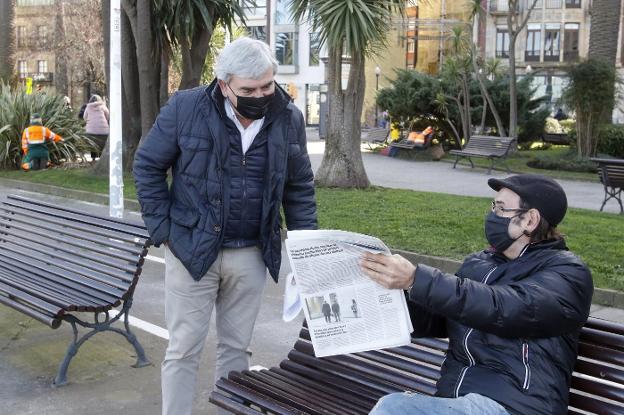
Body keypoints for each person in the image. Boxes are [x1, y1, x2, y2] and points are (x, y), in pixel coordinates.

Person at [133, 37, 317, 415]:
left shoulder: (288, 116)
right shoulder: (186, 108)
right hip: (191, 250)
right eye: (249, 89)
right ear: (223, 84)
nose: (261, 95)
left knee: (237, 349)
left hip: (251, 251)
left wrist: (307, 248)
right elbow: (147, 165)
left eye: (267, 85)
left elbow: (298, 188)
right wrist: (164, 231)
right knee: (183, 348)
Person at [360, 174, 593, 415]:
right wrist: (383, 296)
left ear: (530, 220)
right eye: (493, 206)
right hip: (457, 401)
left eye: (501, 208)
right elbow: (440, 317)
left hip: (514, 407)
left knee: (395, 408)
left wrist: (416, 279)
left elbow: (507, 308)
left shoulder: (568, 273)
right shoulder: (480, 264)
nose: (492, 215)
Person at [83, 94, 110, 160]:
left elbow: (84, 117)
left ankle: (93, 157)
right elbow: (108, 116)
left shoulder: (88, 107)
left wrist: (89, 122)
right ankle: (101, 157)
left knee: (92, 144)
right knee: (102, 144)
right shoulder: (103, 106)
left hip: (91, 130)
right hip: (103, 131)